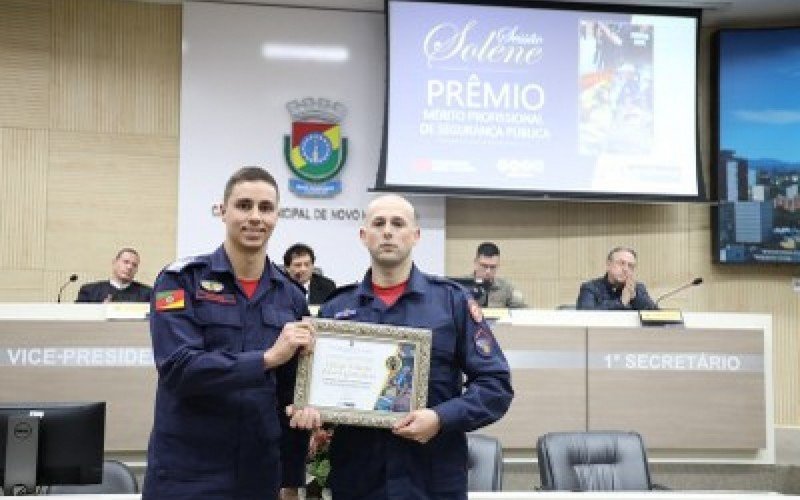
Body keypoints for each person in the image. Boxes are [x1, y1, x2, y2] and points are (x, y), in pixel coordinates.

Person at [314, 194, 514, 500]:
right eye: (378, 223)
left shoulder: (452, 302)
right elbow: (319, 396)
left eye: (398, 223)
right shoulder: (336, 310)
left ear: (416, 235)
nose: (388, 231)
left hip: (431, 479)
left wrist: (440, 418)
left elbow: (495, 386)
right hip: (359, 480)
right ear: (363, 236)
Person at [143, 166, 315, 499]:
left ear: (277, 216)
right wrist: (267, 358)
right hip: (188, 471)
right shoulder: (180, 281)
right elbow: (179, 368)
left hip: (258, 472)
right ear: (223, 211)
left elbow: (290, 394)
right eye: (243, 205)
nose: (255, 217)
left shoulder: (292, 296)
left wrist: (291, 477)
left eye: (265, 208)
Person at [576, 246, 657, 310]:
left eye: (630, 266)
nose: (625, 269)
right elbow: (585, 316)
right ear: (608, 265)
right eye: (621, 263)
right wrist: (621, 302)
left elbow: (656, 316)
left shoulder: (638, 288)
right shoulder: (590, 288)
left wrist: (635, 298)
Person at [75, 247, 153, 303]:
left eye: (134, 265)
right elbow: (77, 318)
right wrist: (101, 311)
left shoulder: (148, 294)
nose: (129, 267)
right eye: (126, 262)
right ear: (114, 263)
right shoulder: (90, 291)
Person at [467, 241, 526, 308]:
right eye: (484, 266)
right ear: (475, 263)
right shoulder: (460, 286)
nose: (488, 272)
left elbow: (522, 311)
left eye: (493, 267)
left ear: (498, 265)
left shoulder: (507, 288)